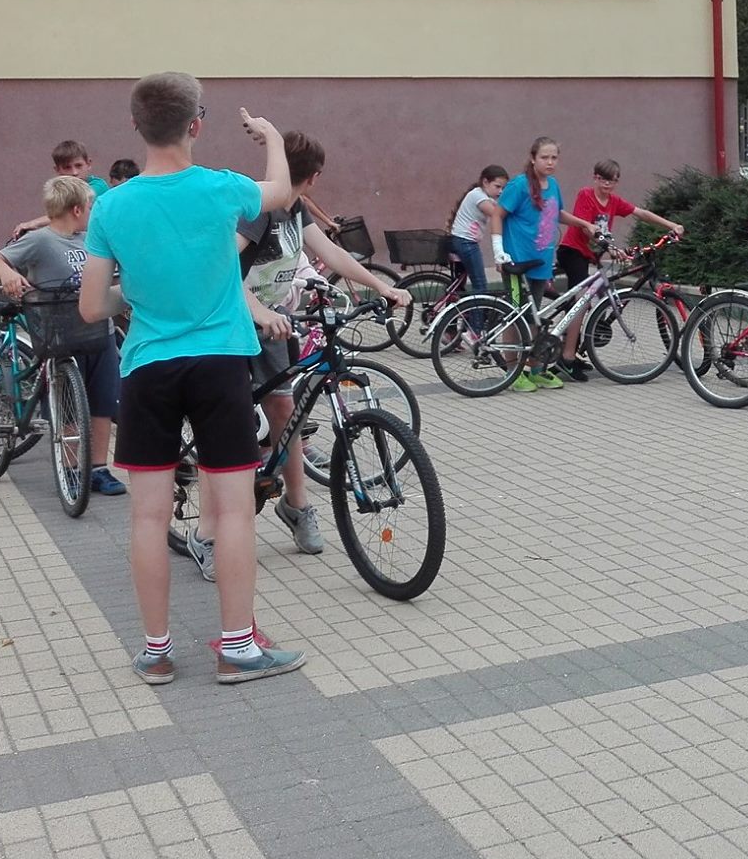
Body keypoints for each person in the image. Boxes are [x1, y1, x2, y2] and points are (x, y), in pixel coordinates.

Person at [79, 72, 305, 686]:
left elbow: (92, 306)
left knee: (148, 518)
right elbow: (281, 191)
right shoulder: (222, 188)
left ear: (136, 125)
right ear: (196, 125)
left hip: (147, 368)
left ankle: (156, 652)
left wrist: (140, 293)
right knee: (231, 513)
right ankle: (238, 649)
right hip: (219, 365)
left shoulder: (111, 205)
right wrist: (271, 137)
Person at [180, 130, 408, 571]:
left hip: (271, 324)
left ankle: (297, 506)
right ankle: (207, 535)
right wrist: (259, 310)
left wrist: (382, 287)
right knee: (225, 430)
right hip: (227, 325)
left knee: (287, 411)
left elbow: (332, 254)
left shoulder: (295, 208)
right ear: (316, 176)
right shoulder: (258, 210)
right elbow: (220, 266)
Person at [0, 175, 127, 496]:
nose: (92, 212)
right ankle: (72, 468)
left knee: (103, 403)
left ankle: (98, 469)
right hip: (60, 335)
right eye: (90, 206)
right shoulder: (41, 241)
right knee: (69, 406)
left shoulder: (92, 239)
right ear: (77, 209)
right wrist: (8, 274)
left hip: (99, 331)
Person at [483, 136, 597, 393]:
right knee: (516, 316)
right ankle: (513, 373)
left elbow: (557, 214)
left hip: (541, 262)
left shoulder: (552, 185)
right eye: (545, 157)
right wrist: (499, 251)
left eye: (554, 157)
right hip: (517, 262)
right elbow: (497, 214)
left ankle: (535, 370)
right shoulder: (519, 185)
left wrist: (584, 224)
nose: (550, 162)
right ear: (533, 158)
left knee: (533, 317)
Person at [554, 159, 685, 381]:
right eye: (603, 179)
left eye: (612, 181)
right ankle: (566, 358)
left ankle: (574, 348)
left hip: (592, 254)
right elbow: (585, 228)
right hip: (573, 251)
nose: (607, 184)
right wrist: (610, 248)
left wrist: (671, 225)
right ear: (595, 178)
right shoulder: (586, 195)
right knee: (582, 302)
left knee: (596, 297)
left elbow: (641, 213)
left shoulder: (614, 201)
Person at [447, 165, 509, 296]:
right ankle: (478, 310)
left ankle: (457, 305)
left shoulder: (483, 196)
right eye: (497, 187)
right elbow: (496, 214)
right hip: (466, 243)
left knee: (460, 284)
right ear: (485, 182)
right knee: (480, 285)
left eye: (503, 188)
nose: (501, 191)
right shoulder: (478, 196)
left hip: (461, 241)